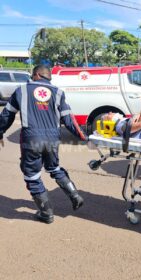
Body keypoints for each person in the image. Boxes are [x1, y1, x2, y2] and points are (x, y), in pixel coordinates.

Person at [0, 65, 88, 224]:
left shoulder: (22, 90)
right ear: (48, 77)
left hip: (31, 136)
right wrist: (84, 137)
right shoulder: (58, 93)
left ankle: (46, 213)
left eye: (33, 76)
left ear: (37, 75)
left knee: (31, 174)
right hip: (53, 138)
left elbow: (7, 115)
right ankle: (74, 195)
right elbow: (69, 120)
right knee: (54, 167)